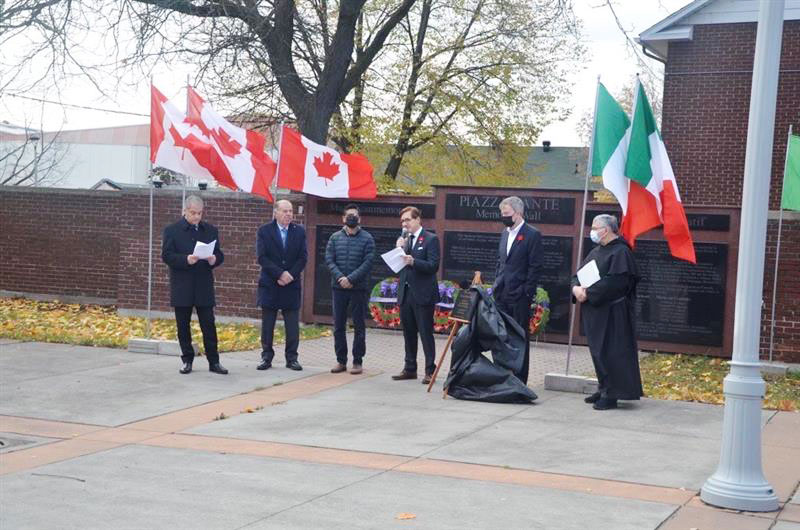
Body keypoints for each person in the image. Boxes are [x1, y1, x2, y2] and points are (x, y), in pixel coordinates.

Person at [571, 214, 643, 410]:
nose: (592, 231)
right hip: (596, 311)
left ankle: (612, 394)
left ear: (607, 230)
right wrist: (576, 288)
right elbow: (579, 274)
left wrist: (588, 293)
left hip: (613, 313)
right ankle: (604, 387)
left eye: (595, 228)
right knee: (598, 351)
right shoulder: (597, 251)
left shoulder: (621, 252)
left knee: (612, 352)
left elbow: (616, 283)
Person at [161, 195, 228, 375]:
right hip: (182, 285)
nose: (197, 217)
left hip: (203, 285)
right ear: (185, 211)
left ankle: (214, 361)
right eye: (193, 213)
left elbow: (219, 254)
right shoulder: (172, 230)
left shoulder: (210, 230)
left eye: (199, 213)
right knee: (183, 326)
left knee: (209, 325)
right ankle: (187, 360)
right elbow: (166, 255)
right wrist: (186, 259)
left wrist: (214, 259)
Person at [492, 196, 543, 385]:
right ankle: (502, 375)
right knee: (501, 335)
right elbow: (501, 262)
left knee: (519, 337)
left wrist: (526, 292)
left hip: (519, 295)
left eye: (506, 213)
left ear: (518, 213)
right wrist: (496, 282)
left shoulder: (532, 234)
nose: (503, 216)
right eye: (502, 213)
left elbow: (535, 266)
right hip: (501, 293)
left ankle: (520, 379)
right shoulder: (504, 233)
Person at [256, 199, 307, 371]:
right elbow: (262, 257)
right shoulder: (264, 231)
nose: (288, 214)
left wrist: (290, 275)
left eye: (290, 211)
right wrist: (279, 274)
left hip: (291, 285)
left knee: (292, 325)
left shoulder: (299, 232)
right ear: (275, 212)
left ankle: (292, 358)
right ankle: (266, 357)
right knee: (268, 324)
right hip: (271, 284)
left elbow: (303, 258)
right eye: (285, 211)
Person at [392, 206, 441, 385]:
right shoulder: (404, 240)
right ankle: (410, 368)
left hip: (423, 294)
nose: (405, 224)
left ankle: (430, 370)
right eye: (402, 221)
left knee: (425, 333)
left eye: (408, 220)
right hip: (406, 293)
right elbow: (400, 266)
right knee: (408, 333)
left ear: (418, 219)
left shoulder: (430, 239)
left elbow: (433, 266)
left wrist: (414, 261)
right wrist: (398, 250)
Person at [325, 203, 375, 374]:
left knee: (359, 325)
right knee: (338, 325)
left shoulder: (367, 238)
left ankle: (357, 361)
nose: (351, 218)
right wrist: (341, 278)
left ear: (359, 219)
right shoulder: (334, 238)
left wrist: (351, 279)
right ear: (343, 218)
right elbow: (329, 259)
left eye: (354, 216)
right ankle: (341, 361)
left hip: (358, 288)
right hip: (338, 287)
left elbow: (368, 262)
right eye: (349, 216)